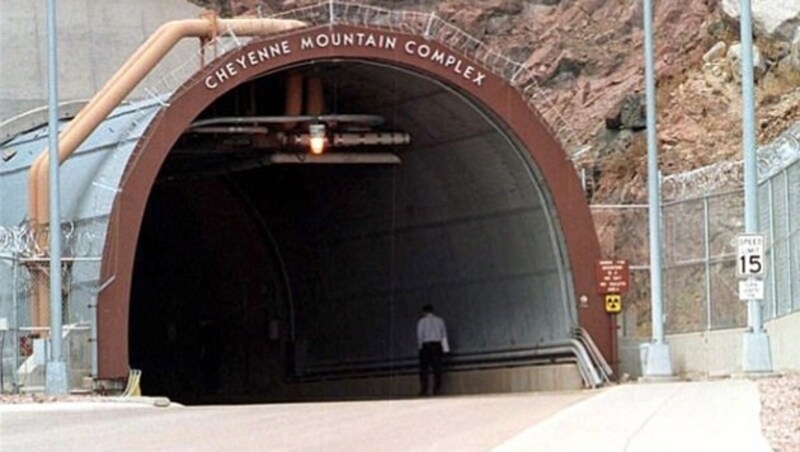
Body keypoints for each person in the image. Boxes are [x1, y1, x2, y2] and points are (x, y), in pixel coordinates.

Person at [416, 304, 449, 396]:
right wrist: (445, 349)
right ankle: (436, 389)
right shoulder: (440, 320)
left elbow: (420, 336)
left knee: (424, 369)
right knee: (437, 368)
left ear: (424, 312)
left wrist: (420, 348)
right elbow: (444, 335)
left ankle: (424, 389)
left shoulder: (421, 321)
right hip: (437, 345)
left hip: (426, 346)